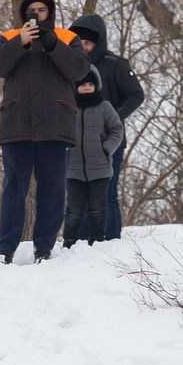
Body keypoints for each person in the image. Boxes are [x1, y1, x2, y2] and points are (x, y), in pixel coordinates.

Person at [0, 0, 93, 263]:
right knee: (14, 190)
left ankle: (43, 248)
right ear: (24, 14)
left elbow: (79, 70)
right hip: (16, 125)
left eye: (41, 10)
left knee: (52, 191)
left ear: (50, 11)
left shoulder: (67, 38)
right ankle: (5, 249)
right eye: (31, 11)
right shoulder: (9, 36)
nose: (36, 15)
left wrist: (53, 44)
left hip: (56, 126)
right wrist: (19, 43)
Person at [66, 14, 143, 239]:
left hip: (108, 142)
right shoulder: (69, 67)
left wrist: (113, 119)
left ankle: (108, 242)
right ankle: (79, 243)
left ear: (98, 43)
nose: (84, 48)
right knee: (78, 195)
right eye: (80, 43)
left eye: (88, 43)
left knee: (106, 194)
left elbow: (136, 95)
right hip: (76, 146)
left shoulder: (115, 65)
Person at [60, 71, 123, 249]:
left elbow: (117, 129)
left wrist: (106, 148)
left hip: (100, 168)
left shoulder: (104, 107)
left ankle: (97, 240)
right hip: (73, 168)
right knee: (74, 210)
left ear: (96, 86)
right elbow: (59, 129)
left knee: (98, 208)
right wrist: (64, 150)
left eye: (90, 84)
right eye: (83, 85)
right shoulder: (68, 106)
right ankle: (69, 242)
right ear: (76, 87)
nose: (87, 87)